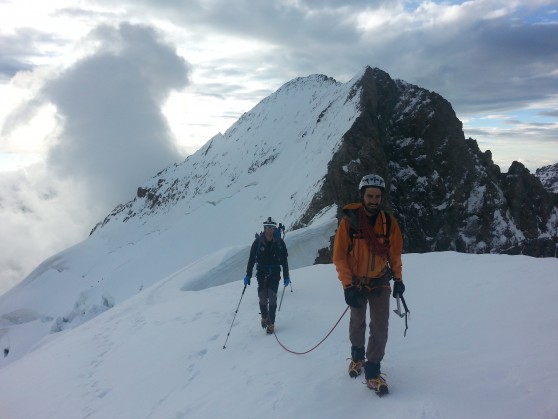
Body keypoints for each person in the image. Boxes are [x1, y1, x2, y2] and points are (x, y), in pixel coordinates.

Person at [332, 174, 404, 395]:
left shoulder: (389, 223)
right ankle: (357, 357)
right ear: (362, 196)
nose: (373, 200)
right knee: (357, 322)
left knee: (380, 328)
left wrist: (399, 279)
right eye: (370, 195)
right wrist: (347, 285)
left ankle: (372, 371)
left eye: (377, 196)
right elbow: (339, 257)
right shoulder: (349, 223)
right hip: (356, 283)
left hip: (380, 281)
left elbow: (394, 254)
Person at [244, 217, 290, 334]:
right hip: (261, 272)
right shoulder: (258, 242)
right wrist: (248, 275)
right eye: (267, 227)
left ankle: (271, 323)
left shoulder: (279, 243)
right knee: (262, 296)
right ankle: (264, 316)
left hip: (274, 272)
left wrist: (286, 276)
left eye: (272, 228)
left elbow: (284, 261)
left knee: (272, 297)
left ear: (274, 229)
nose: (269, 230)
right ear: (264, 229)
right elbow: (251, 260)